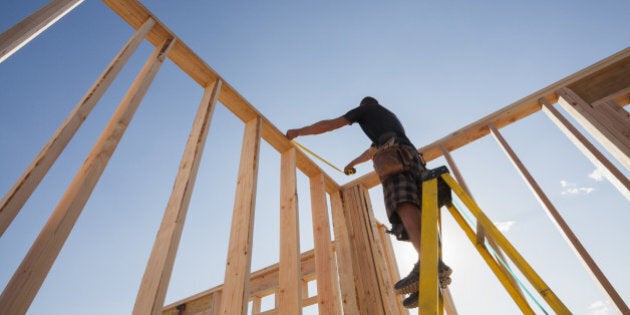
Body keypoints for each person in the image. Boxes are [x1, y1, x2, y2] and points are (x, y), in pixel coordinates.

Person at [286, 96, 452, 308]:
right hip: (412, 159)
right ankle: (427, 269)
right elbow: (370, 152)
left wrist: (299, 132)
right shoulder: (387, 121)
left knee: (403, 204)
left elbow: (330, 124)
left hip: (394, 159)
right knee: (418, 212)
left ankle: (430, 264)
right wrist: (351, 163)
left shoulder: (366, 110)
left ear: (364, 106)